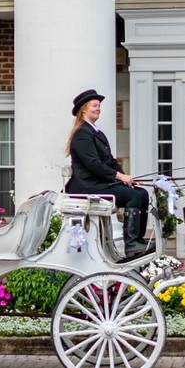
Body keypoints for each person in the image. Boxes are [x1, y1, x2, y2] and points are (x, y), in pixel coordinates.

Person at [65, 89, 153, 258]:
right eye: (94, 105)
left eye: (99, 106)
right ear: (84, 109)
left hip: (100, 183)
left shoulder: (96, 132)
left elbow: (110, 161)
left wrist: (127, 179)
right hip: (87, 186)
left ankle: (138, 239)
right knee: (132, 197)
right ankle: (131, 244)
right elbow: (93, 164)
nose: (98, 108)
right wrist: (119, 177)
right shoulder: (82, 134)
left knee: (141, 193)